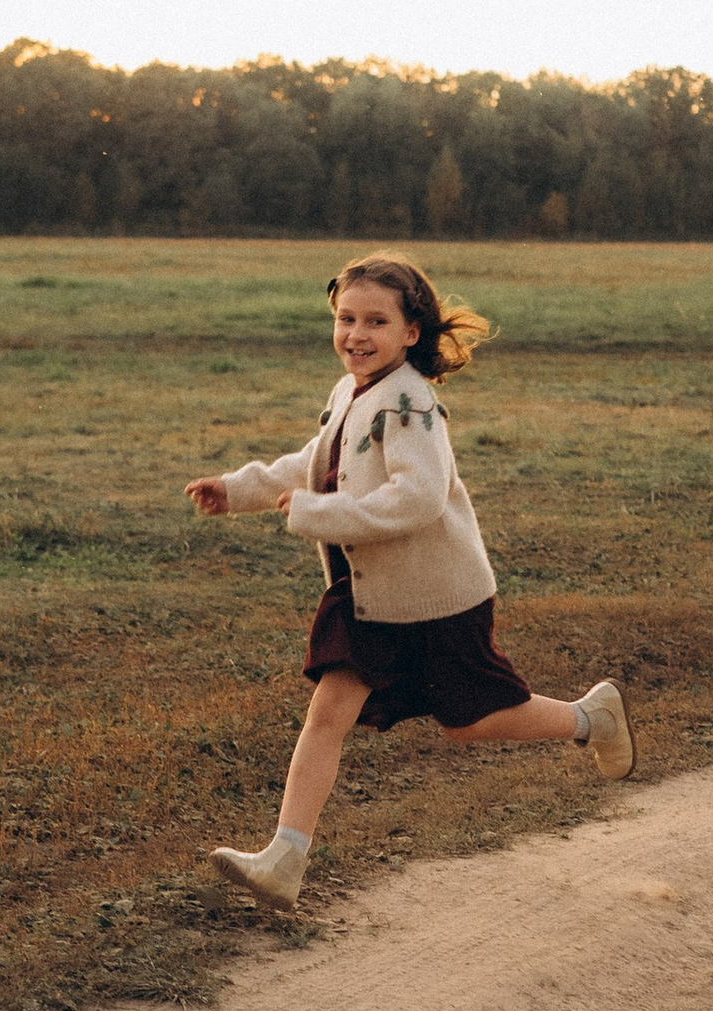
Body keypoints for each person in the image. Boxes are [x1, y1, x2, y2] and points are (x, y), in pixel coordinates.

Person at [184, 249, 634, 909]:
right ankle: (284, 859)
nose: (356, 334)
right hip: (368, 595)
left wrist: (318, 514)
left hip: (436, 596)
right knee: (328, 713)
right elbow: (317, 461)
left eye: (376, 321)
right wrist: (238, 489)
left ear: (410, 332)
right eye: (346, 319)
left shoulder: (412, 405)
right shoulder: (351, 391)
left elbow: (417, 499)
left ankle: (591, 718)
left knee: (470, 722)